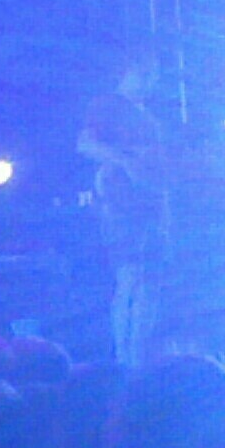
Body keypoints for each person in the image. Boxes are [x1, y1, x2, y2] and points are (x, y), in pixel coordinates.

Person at [77, 47, 172, 367]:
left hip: (151, 206)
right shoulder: (108, 106)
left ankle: (139, 355)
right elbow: (85, 143)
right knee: (131, 277)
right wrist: (127, 162)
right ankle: (124, 357)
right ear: (128, 71)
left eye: (154, 77)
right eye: (144, 75)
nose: (150, 83)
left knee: (150, 281)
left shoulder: (148, 117)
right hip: (122, 206)